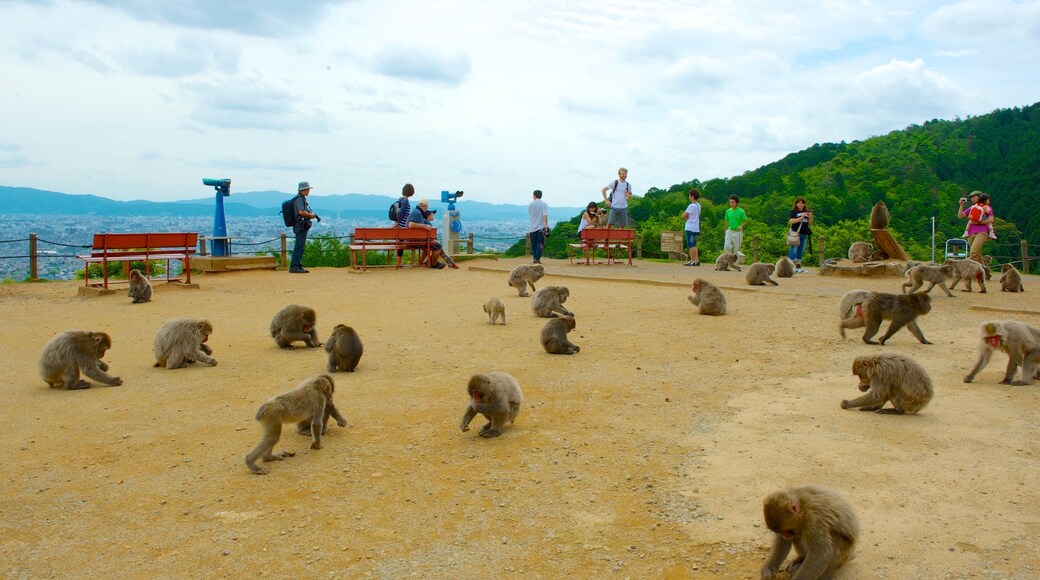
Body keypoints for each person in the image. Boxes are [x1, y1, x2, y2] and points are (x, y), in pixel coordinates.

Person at [407, 198, 458, 269]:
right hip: (414, 240)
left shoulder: (417, 212)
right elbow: (411, 225)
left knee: (434, 245)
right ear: (425, 206)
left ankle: (428, 262)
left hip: (414, 238)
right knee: (437, 246)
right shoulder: (417, 212)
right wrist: (425, 226)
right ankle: (433, 263)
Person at [289, 181, 320, 274]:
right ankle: (294, 266)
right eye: (308, 189)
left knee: (300, 246)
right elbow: (301, 212)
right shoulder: (299, 199)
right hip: (300, 226)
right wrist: (311, 215)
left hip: (299, 225)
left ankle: (297, 265)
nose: (309, 191)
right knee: (299, 246)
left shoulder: (300, 198)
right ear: (304, 190)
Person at [959, 191, 995, 263]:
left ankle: (974, 270)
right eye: (971, 197)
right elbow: (961, 216)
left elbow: (991, 219)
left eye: (974, 196)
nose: (972, 199)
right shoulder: (973, 208)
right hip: (971, 233)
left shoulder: (986, 207)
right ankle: (982, 270)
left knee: (973, 252)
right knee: (977, 254)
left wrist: (980, 222)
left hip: (982, 232)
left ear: (979, 197)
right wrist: (961, 205)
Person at [787, 197, 813, 273]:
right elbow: (791, 221)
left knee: (800, 250)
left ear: (804, 204)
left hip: (804, 233)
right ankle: (790, 267)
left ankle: (798, 267)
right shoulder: (793, 212)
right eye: (799, 203)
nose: (801, 204)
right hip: (795, 233)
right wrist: (801, 218)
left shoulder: (806, 212)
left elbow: (810, 224)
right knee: (793, 250)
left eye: (802, 203)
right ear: (796, 204)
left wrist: (810, 217)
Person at [393, 183, 416, 267]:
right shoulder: (406, 200)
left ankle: (399, 262)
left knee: (400, 244)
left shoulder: (400, 199)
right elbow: (402, 212)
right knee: (401, 245)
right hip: (402, 225)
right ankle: (399, 263)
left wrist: (396, 222)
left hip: (398, 225)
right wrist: (398, 222)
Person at [722, 195, 748, 262]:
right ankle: (726, 261)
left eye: (733, 202)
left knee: (736, 249)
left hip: (737, 232)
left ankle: (735, 263)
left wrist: (741, 226)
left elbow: (745, 221)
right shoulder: (728, 211)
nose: (731, 204)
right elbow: (726, 221)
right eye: (730, 202)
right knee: (726, 246)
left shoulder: (741, 211)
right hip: (730, 231)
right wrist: (726, 230)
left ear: (736, 203)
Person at [528, 189, 549, 264]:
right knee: (540, 243)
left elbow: (530, 214)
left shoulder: (531, 204)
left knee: (533, 243)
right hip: (541, 227)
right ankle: (537, 258)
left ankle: (535, 257)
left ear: (534, 195)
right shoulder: (544, 204)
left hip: (532, 226)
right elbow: (545, 215)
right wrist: (546, 225)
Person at [681, 189, 701, 266]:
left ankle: (692, 261)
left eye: (689, 195)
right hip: (696, 227)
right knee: (694, 244)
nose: (689, 197)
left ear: (692, 196)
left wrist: (686, 216)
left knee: (691, 245)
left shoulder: (691, 205)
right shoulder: (698, 205)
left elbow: (684, 215)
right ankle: (696, 260)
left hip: (690, 227)